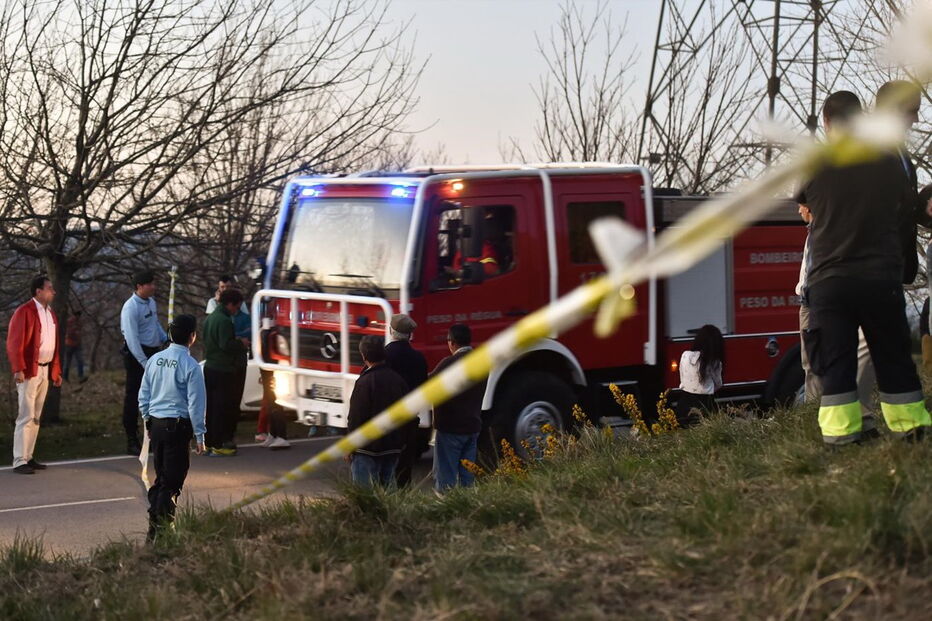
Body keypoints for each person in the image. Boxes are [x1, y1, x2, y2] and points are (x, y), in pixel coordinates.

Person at [801, 90, 931, 445]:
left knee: (838, 360)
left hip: (830, 277)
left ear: (827, 122)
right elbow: (906, 206)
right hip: (878, 275)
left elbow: (804, 202)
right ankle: (910, 428)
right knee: (892, 355)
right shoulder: (886, 160)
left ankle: (841, 434)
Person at [138, 314, 206, 542]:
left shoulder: (155, 360)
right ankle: (161, 532)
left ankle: (155, 530)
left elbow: (143, 395)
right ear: (192, 337)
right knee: (172, 482)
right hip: (178, 428)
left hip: (156, 426)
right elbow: (196, 404)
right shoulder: (191, 366)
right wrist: (200, 435)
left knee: (161, 479)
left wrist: (147, 420)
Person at [6, 275, 62, 474]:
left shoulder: (50, 313)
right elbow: (15, 342)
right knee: (26, 414)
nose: (53, 291)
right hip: (30, 370)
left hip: (44, 368)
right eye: (49, 288)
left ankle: (28, 456)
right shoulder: (25, 311)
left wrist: (56, 370)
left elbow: (53, 344)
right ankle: (19, 459)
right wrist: (18, 368)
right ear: (38, 291)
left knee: (36, 416)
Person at [346, 335, 409, 487]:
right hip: (392, 445)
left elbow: (356, 417)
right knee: (389, 491)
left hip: (366, 448)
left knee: (365, 495)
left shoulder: (364, 382)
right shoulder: (397, 380)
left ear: (364, 356)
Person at [431, 323, 485, 493]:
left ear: (452, 342)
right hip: (472, 426)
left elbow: (428, 386)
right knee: (467, 477)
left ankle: (447, 512)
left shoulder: (448, 363)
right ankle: (467, 509)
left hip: (450, 428)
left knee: (446, 477)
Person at [121, 269, 168, 456]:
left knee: (155, 396)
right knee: (133, 397)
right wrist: (144, 362)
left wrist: (165, 338)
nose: (153, 287)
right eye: (150, 284)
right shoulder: (130, 308)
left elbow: (154, 324)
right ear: (139, 286)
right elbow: (131, 338)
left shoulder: (151, 303)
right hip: (136, 356)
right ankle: (131, 439)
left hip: (153, 352)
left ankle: (154, 433)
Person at [203, 288, 249, 456]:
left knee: (210, 407)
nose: (236, 310)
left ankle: (207, 443)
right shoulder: (224, 320)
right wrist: (241, 343)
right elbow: (226, 344)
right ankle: (219, 444)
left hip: (210, 367)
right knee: (222, 408)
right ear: (230, 304)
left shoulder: (210, 318)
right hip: (223, 369)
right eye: (236, 307)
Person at [384, 314, 428, 487]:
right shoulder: (418, 358)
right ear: (410, 335)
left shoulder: (383, 356)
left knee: (386, 466)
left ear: (390, 331)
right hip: (409, 418)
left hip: (387, 419)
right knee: (404, 467)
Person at [674, 325, 723, 427]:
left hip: (684, 401)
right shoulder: (715, 362)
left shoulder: (685, 355)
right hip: (705, 404)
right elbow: (718, 384)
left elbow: (682, 376)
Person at [255, 317, 290, 449]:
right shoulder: (265, 331)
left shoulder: (273, 333)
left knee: (275, 402)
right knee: (270, 403)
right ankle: (274, 434)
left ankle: (281, 435)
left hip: (273, 371)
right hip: (266, 370)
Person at [63, 310, 87, 383]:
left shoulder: (79, 322)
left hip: (77, 344)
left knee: (80, 360)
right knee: (68, 362)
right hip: (69, 344)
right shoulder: (70, 322)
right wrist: (76, 333)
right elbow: (70, 333)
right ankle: (65, 377)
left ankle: (80, 376)